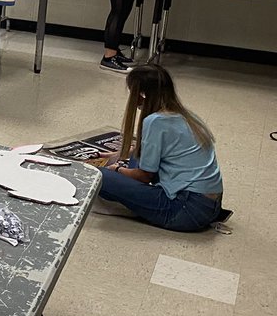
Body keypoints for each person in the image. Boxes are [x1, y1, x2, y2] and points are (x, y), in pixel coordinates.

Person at [98, 64, 228, 232]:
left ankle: (134, 201)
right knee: (136, 157)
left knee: (100, 176)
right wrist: (117, 155)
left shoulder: (154, 121)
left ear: (141, 95)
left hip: (184, 210)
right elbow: (147, 148)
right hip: (210, 206)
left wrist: (117, 170)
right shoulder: (187, 116)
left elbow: (144, 176)